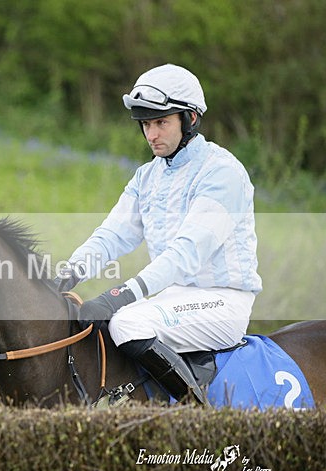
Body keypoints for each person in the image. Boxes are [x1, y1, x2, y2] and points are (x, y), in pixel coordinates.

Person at [55, 64, 262, 405]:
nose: (152, 134)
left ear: (190, 119)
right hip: (174, 299)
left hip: (223, 301)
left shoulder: (223, 172)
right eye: (146, 125)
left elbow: (186, 253)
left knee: (127, 324)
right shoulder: (146, 177)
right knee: (101, 330)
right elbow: (111, 235)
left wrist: (120, 295)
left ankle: (198, 413)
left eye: (161, 123)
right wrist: (66, 275)